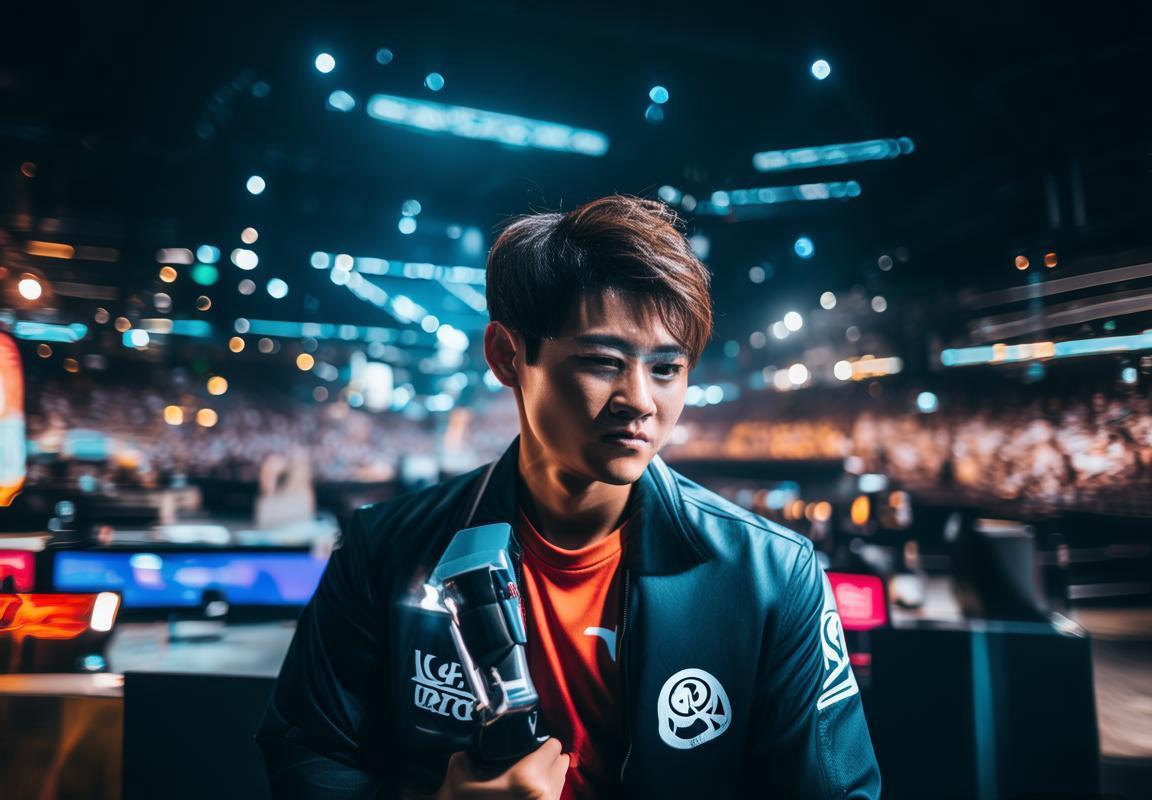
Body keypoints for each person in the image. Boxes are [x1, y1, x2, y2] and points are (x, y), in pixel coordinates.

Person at [256, 195, 881, 798]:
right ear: (507, 355)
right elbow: (308, 759)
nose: (640, 400)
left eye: (666, 368)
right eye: (603, 361)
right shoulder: (382, 550)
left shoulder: (773, 575)